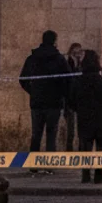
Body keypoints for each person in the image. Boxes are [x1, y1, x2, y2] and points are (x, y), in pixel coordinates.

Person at [20, 30, 72, 170]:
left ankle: (33, 165)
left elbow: (23, 79)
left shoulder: (32, 58)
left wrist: (33, 92)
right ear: (54, 41)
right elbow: (68, 79)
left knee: (36, 134)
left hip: (37, 102)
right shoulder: (59, 59)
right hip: (54, 102)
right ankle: (49, 166)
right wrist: (61, 94)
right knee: (51, 134)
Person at [68, 50, 102, 185]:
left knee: (85, 148)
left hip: (84, 119)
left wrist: (79, 109)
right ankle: (99, 175)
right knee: (100, 148)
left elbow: (71, 100)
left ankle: (85, 175)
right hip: (100, 118)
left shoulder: (78, 81)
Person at [63, 42, 84, 152]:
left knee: (81, 129)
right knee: (70, 130)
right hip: (70, 101)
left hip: (80, 101)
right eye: (74, 53)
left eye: (79, 52)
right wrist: (75, 65)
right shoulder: (68, 64)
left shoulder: (83, 65)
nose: (77, 55)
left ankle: (81, 150)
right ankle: (69, 151)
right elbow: (70, 80)